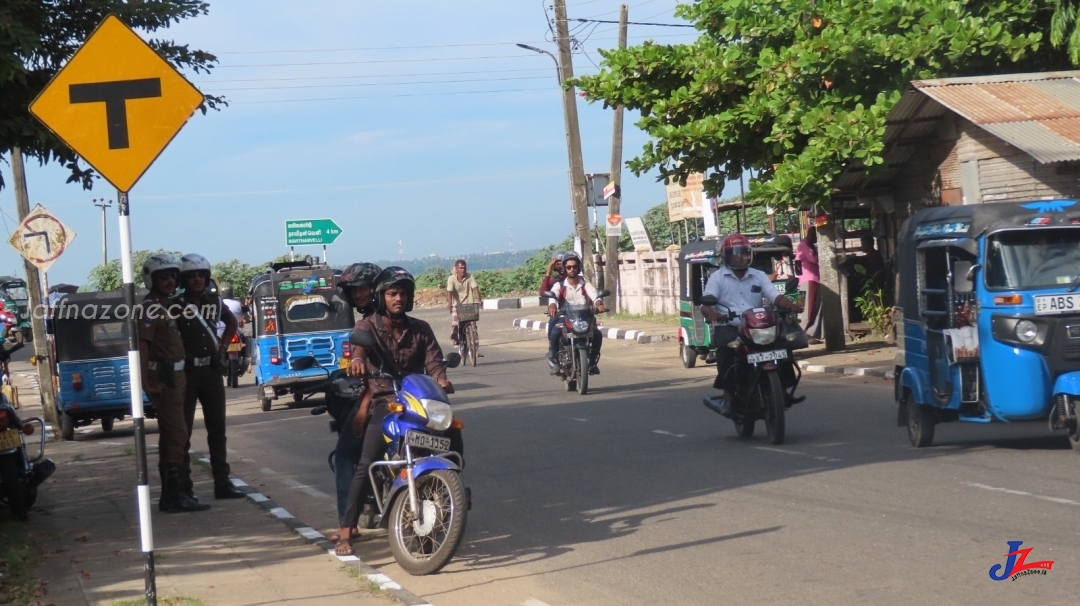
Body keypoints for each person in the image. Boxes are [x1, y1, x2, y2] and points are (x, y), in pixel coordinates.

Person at [335, 266, 455, 556]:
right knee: (367, 461)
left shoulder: (421, 329)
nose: (398, 298)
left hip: (418, 401)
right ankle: (345, 530)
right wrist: (358, 362)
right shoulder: (368, 327)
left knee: (453, 437)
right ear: (381, 297)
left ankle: (453, 495)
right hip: (385, 402)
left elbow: (434, 362)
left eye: (403, 293)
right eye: (392, 293)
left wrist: (441, 379)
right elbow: (358, 350)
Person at [137, 253, 211, 513]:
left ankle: (176, 493)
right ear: (152, 279)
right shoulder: (151, 307)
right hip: (164, 378)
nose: (169, 281)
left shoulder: (167, 304)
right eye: (163, 276)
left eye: (172, 276)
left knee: (172, 435)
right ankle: (173, 495)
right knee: (178, 433)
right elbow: (142, 346)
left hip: (177, 376)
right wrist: (146, 382)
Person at [701, 233, 803, 410]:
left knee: (783, 344)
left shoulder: (759, 275)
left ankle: (783, 390)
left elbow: (775, 296)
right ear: (726, 255)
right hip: (730, 326)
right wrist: (712, 313)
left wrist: (790, 305)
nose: (740, 257)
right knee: (725, 349)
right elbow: (706, 304)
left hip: (757, 326)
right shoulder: (717, 278)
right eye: (735, 253)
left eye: (744, 252)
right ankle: (728, 396)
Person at [174, 253, 246, 501]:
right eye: (191, 275)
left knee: (218, 430)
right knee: (183, 432)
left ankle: (222, 482)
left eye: (201, 275)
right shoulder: (176, 305)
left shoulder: (214, 301)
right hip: (186, 372)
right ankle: (184, 486)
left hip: (212, 371)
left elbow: (232, 322)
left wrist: (224, 346)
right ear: (184, 278)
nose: (197, 279)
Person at [327, 261, 381, 542]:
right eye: (354, 290)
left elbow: (360, 350)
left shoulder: (368, 321)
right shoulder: (403, 318)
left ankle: (346, 524)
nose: (359, 294)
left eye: (363, 289)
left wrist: (363, 407)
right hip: (408, 392)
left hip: (380, 397)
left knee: (347, 454)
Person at [546, 253, 606, 375]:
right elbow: (553, 297)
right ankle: (556, 361)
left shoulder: (585, 285)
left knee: (598, 334)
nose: (572, 269)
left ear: (578, 268)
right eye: (569, 267)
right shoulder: (560, 285)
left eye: (574, 267)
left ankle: (593, 362)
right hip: (566, 317)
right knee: (555, 333)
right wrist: (552, 306)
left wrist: (599, 304)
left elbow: (595, 296)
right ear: (565, 268)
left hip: (584, 318)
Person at [446, 259, 482, 353]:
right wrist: (449, 303)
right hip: (457, 305)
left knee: (473, 326)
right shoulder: (451, 279)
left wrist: (479, 299)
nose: (463, 270)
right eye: (461, 268)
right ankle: (458, 341)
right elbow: (449, 292)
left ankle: (475, 348)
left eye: (464, 268)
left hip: (469, 304)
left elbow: (475, 289)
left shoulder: (470, 277)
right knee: (456, 324)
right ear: (456, 269)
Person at [795, 226, 823, 343]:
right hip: (810, 279)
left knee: (808, 307)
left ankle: (810, 333)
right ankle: (804, 333)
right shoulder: (805, 245)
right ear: (813, 235)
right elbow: (815, 259)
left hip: (804, 280)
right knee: (809, 308)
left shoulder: (805, 245)